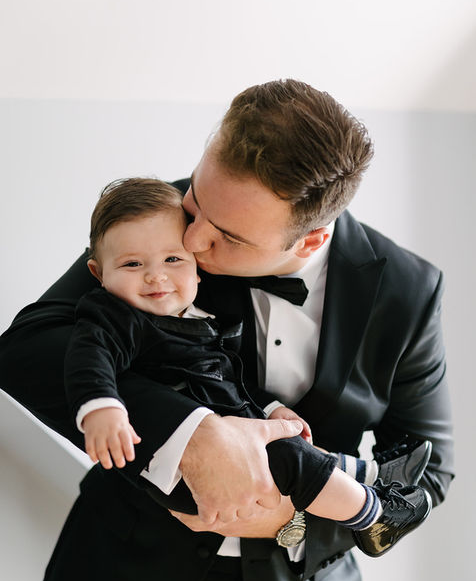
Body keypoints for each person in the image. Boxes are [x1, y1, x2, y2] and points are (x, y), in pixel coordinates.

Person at [0, 80, 454, 581]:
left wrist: (290, 519)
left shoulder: (408, 289)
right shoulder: (158, 221)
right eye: (196, 202)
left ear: (310, 239)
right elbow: (28, 348)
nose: (191, 240)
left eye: (228, 237)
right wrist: (193, 433)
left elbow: (428, 470)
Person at [64, 176, 431, 554]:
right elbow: (88, 358)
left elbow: (231, 378)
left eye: (173, 260)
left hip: (284, 558)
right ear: (98, 273)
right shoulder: (114, 317)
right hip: (173, 490)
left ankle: (371, 475)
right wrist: (101, 407)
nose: (156, 275)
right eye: (132, 264)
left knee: (290, 444)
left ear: (195, 267)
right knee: (287, 459)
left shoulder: (200, 319)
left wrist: (270, 408)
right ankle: (372, 516)